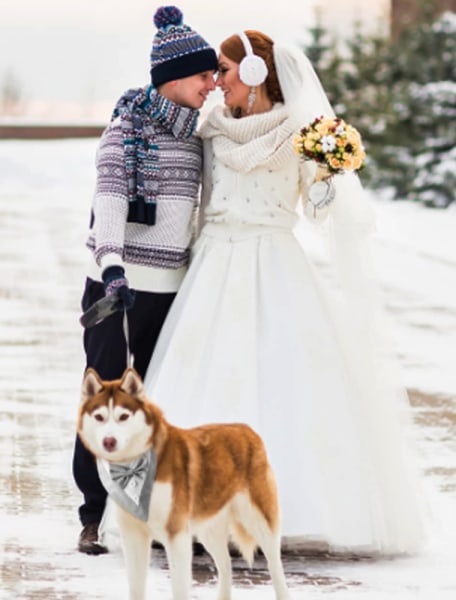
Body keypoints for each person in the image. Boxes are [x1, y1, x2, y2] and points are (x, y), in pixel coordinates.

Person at [144, 30, 427, 555]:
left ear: (254, 75)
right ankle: (189, 507)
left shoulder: (303, 133)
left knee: (290, 385)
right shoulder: (210, 130)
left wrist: (327, 172)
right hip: (215, 265)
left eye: (224, 70)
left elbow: (318, 214)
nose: (216, 82)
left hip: (275, 261)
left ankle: (285, 510)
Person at [72, 6, 218, 555]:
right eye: (204, 76)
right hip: (117, 289)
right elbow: (109, 204)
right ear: (175, 78)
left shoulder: (196, 136)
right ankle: (93, 514)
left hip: (171, 290)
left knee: (158, 408)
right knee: (104, 406)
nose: (212, 85)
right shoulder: (124, 132)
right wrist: (113, 269)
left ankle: (155, 514)